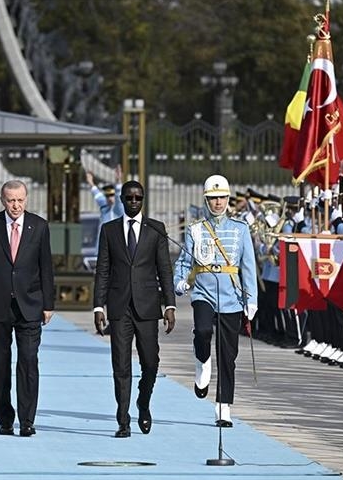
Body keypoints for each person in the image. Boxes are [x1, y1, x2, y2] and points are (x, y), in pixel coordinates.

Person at [0, 180, 55, 438]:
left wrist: (48, 304)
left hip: (30, 306)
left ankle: (27, 421)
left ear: (26, 199)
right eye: (10, 200)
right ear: (2, 200)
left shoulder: (39, 226)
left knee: (28, 362)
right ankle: (5, 419)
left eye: (20, 200)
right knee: (0, 363)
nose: (15, 205)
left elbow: (46, 268)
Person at [93, 180, 176, 438]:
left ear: (143, 199)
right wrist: (98, 306)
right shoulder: (109, 231)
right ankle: (123, 420)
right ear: (121, 199)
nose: (133, 202)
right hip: (119, 309)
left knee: (151, 363)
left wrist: (170, 305)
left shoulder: (156, 229)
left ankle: (143, 401)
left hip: (148, 307)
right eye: (128, 198)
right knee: (121, 365)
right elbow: (102, 271)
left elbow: (165, 270)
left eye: (138, 198)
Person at [173, 174, 258, 427]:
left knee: (228, 354)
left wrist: (250, 299)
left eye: (221, 198)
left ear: (228, 199)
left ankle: (223, 407)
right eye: (212, 198)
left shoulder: (240, 229)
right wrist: (179, 281)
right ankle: (202, 361)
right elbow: (185, 261)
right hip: (203, 291)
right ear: (206, 200)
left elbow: (248, 266)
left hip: (231, 296)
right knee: (201, 331)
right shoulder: (196, 229)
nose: (217, 203)